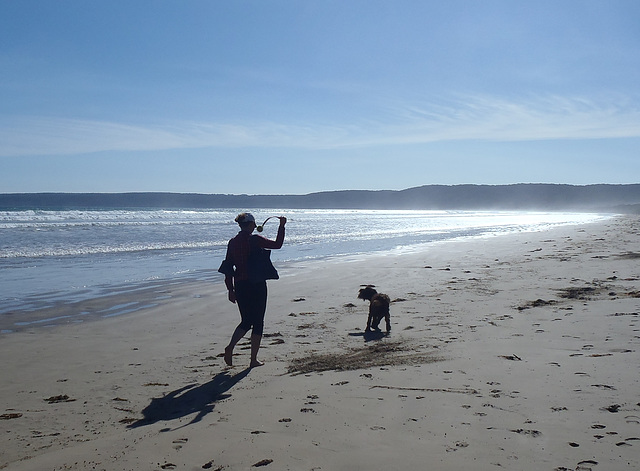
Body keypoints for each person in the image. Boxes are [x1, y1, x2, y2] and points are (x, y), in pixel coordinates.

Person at [220, 212, 286, 367]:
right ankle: (253, 360)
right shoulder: (255, 239)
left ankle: (230, 347)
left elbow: (228, 267)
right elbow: (277, 245)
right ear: (250, 225)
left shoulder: (233, 242)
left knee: (246, 321)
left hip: (240, 285)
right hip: (256, 284)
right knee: (258, 322)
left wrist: (230, 289)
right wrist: (282, 226)